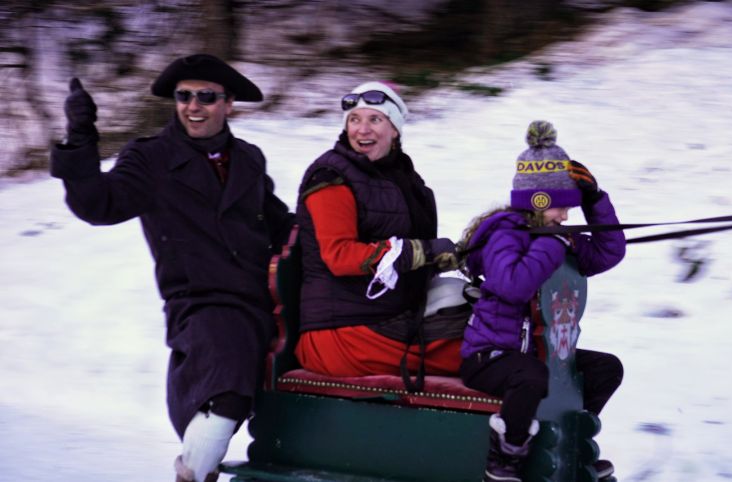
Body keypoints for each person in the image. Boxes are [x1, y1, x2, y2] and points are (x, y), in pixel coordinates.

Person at [50, 54, 293, 482]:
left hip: (262, 301)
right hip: (201, 305)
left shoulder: (250, 159)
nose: (193, 106)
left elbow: (280, 226)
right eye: (184, 96)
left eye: (206, 96)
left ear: (228, 103)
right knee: (225, 394)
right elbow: (97, 204)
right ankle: (193, 474)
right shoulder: (151, 159)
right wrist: (80, 137)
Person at [459, 121, 626, 482]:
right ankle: (505, 461)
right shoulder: (505, 233)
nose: (565, 217)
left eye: (570, 208)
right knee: (532, 376)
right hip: (490, 355)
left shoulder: (553, 235)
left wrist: (595, 200)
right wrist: (552, 242)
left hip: (538, 350)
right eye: (560, 208)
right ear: (538, 202)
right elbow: (511, 286)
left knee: (605, 369)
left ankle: (568, 446)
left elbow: (607, 253)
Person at [293, 81, 464, 380]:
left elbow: (414, 253)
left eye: (375, 119)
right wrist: (416, 252)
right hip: (342, 332)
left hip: (391, 313)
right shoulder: (331, 177)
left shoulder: (406, 180)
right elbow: (339, 255)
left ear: (394, 129)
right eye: (354, 120)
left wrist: (446, 256)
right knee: (477, 348)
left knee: (485, 319)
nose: (362, 130)